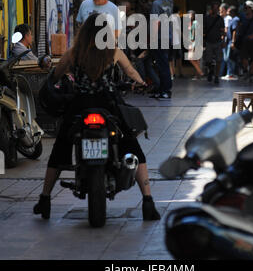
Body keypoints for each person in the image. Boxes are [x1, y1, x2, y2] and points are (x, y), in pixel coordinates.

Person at [33, 13, 160, 222]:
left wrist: (55, 81)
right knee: (133, 147)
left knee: (60, 149)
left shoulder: (74, 53)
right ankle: (148, 202)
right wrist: (141, 83)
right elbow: (130, 71)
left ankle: (45, 199)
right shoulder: (113, 51)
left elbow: (55, 76)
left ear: (84, 33)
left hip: (79, 105)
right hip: (108, 104)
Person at [150, 0, 173, 99]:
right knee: (164, 63)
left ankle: (165, 90)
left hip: (159, 37)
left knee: (161, 65)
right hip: (168, 36)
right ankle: (164, 89)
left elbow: (156, 22)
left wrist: (152, 38)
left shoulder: (155, 3)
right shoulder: (167, 2)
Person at [236, 0, 253, 83]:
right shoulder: (242, 17)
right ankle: (245, 72)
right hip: (244, 41)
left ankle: (251, 75)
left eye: (247, 8)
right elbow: (238, 27)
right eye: (245, 8)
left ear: (252, 9)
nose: (246, 9)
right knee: (244, 58)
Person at [203, 1, 225, 84]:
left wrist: (223, 41)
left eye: (217, 8)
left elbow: (223, 31)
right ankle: (211, 70)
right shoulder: (207, 18)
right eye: (214, 8)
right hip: (209, 41)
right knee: (208, 60)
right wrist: (203, 41)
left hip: (218, 41)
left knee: (219, 60)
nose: (215, 10)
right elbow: (204, 30)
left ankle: (216, 76)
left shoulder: (220, 19)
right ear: (211, 9)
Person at [221, 6, 239, 80]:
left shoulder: (235, 20)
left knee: (230, 58)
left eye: (229, 11)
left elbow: (234, 31)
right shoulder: (231, 19)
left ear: (232, 12)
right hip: (228, 41)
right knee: (228, 58)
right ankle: (230, 73)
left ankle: (231, 73)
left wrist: (233, 42)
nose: (227, 12)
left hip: (231, 42)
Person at [187, 10, 204, 80]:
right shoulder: (190, 23)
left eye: (191, 15)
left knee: (191, 58)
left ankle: (200, 73)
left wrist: (192, 44)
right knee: (196, 59)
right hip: (194, 42)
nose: (189, 16)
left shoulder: (195, 23)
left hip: (195, 42)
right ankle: (198, 75)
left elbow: (195, 34)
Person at [168, 5, 183, 79]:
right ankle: (179, 73)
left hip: (170, 40)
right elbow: (178, 29)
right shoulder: (176, 17)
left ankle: (172, 73)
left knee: (171, 58)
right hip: (176, 40)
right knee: (178, 57)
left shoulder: (169, 17)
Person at [219, 3, 232, 77]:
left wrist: (222, 39)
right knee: (223, 58)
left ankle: (229, 73)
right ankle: (221, 73)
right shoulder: (222, 18)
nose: (220, 12)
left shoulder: (228, 18)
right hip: (223, 41)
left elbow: (226, 30)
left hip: (226, 41)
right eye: (220, 11)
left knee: (227, 58)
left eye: (221, 11)